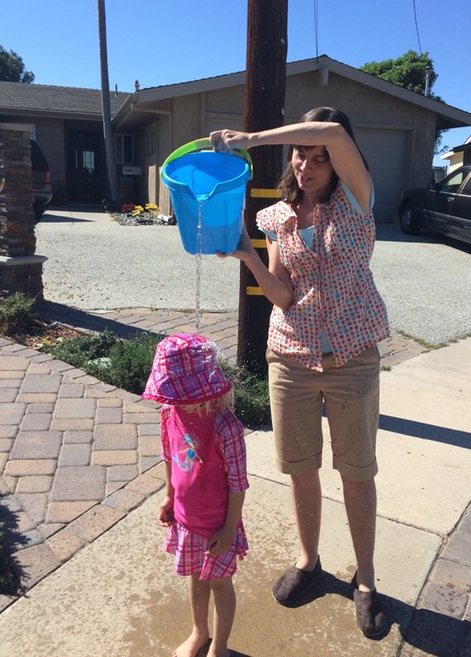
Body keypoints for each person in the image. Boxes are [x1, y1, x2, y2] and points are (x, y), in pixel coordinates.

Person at [210, 107, 389, 638]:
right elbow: (284, 295)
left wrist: (252, 137)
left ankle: (367, 580)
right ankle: (309, 560)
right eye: (300, 156)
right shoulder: (280, 218)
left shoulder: (358, 201)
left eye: (319, 158)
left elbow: (333, 130)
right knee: (300, 466)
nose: (308, 166)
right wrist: (248, 253)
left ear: (338, 161)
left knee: (356, 470)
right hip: (289, 358)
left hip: (352, 359)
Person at [142, 333, 249, 657]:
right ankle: (198, 633)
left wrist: (229, 529)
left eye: (177, 393)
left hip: (217, 525)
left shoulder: (225, 426)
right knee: (194, 578)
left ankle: (220, 647)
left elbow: (238, 483)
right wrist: (169, 497)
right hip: (187, 522)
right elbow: (169, 458)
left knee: (220, 584)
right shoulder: (169, 414)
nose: (170, 399)